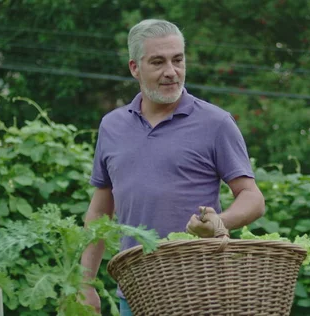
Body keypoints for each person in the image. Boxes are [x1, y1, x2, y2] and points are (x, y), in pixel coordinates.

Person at [80, 18, 265, 315]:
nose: (171, 72)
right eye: (158, 62)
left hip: (201, 292)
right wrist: (84, 283)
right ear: (134, 68)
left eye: (178, 60)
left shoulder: (216, 123)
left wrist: (220, 221)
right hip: (135, 293)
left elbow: (253, 198)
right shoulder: (111, 127)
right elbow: (100, 211)